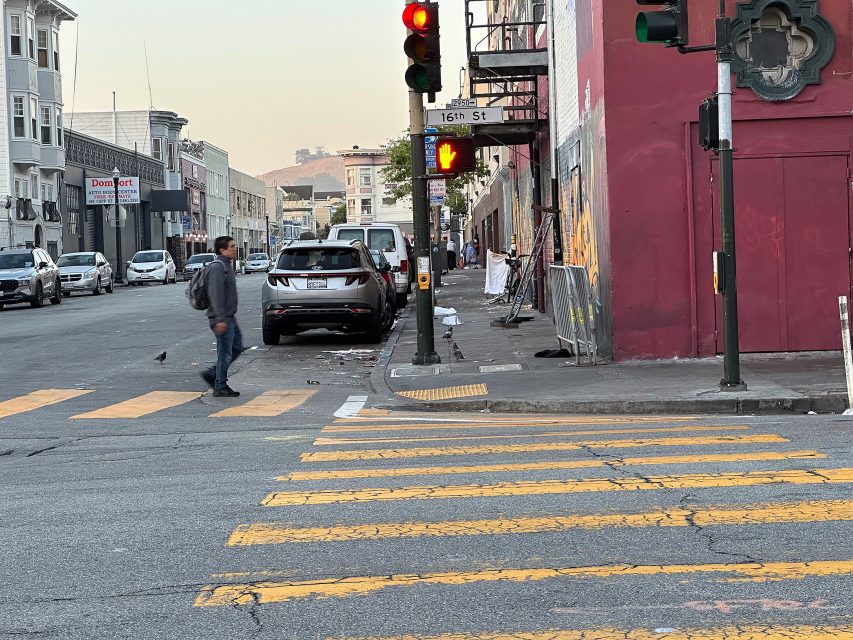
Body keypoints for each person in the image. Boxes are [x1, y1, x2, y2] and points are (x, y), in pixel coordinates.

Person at [201, 236, 244, 398]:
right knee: (225, 352)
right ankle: (220, 385)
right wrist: (220, 319)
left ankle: (213, 374)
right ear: (222, 250)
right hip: (222, 317)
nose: (235, 248)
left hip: (229, 317)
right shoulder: (218, 267)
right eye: (231, 246)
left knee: (237, 347)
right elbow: (215, 294)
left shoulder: (227, 265)